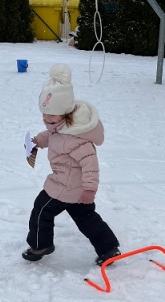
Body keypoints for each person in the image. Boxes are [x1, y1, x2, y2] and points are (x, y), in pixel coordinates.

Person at [23, 64, 121, 265]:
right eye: (44, 114)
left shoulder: (76, 138)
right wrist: (37, 141)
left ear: (65, 112)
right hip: (71, 187)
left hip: (65, 187)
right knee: (86, 217)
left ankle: (41, 244)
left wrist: (90, 190)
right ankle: (108, 248)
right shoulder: (60, 127)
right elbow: (52, 136)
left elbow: (90, 165)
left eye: (51, 115)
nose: (46, 119)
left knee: (41, 210)